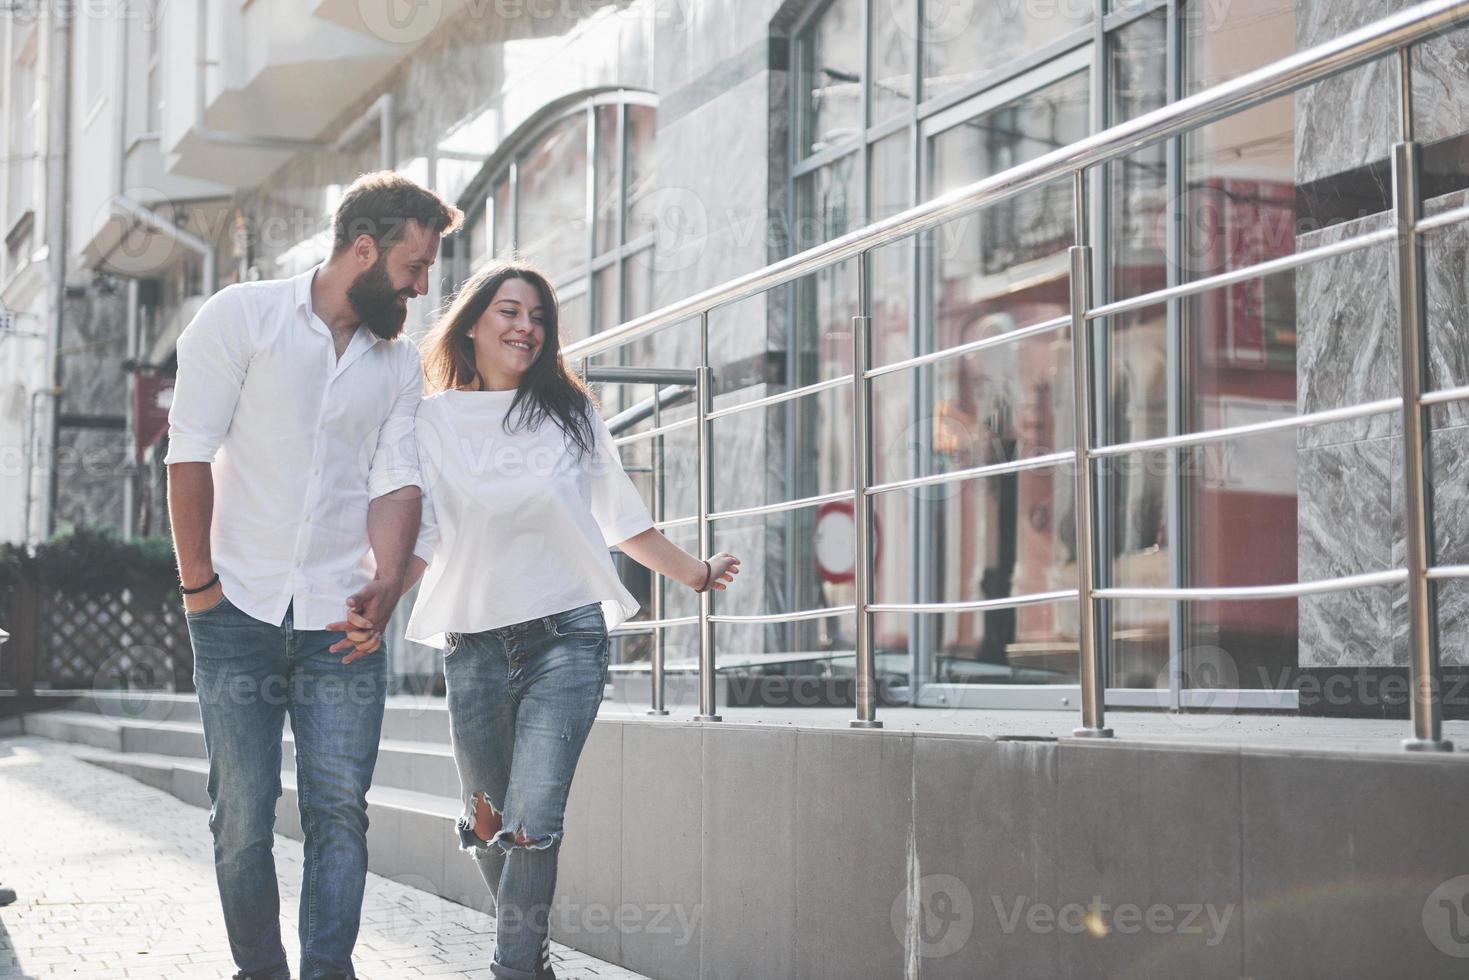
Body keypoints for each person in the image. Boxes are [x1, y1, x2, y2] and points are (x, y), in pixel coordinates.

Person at [342, 260, 738, 980]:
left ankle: (513, 967)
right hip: (474, 647)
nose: (527, 327)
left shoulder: (568, 411)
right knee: (488, 824)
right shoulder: (432, 419)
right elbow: (422, 531)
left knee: (533, 823)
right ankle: (529, 950)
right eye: (509, 312)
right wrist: (383, 595)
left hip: (566, 639)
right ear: (471, 324)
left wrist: (695, 573)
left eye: (538, 317)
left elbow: (622, 518)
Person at [165, 171, 463, 980]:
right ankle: (258, 971)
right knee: (241, 820)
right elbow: (187, 454)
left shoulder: (397, 365)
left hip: (340, 621)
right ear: (362, 248)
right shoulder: (242, 316)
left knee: (339, 814)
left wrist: (389, 587)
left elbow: (396, 481)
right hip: (235, 613)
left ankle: (326, 971)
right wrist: (200, 590)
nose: (422, 284)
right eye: (415, 263)